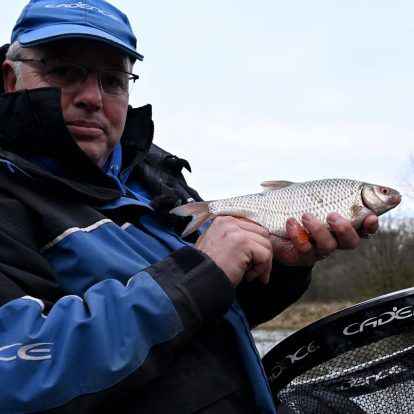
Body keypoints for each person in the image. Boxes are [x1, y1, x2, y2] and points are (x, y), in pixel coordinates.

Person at [0, 1, 378, 413]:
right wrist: (199, 275)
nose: (93, 97)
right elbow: (15, 375)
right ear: (10, 78)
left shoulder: (157, 179)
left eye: (112, 80)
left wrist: (282, 267)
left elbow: (210, 318)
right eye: (64, 71)